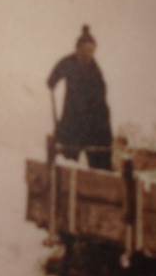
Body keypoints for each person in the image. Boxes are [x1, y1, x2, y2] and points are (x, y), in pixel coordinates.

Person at [47, 25, 112, 170]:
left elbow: (102, 97)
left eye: (92, 51)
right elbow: (54, 76)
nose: (89, 55)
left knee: (99, 157)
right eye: (87, 50)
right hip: (72, 118)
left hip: (92, 120)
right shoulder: (69, 62)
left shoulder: (95, 70)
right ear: (78, 49)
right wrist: (52, 82)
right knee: (66, 156)